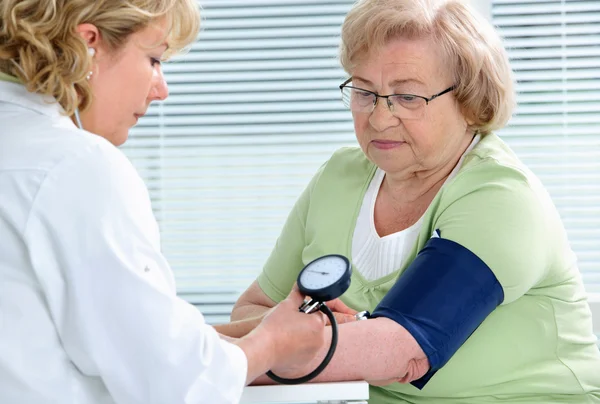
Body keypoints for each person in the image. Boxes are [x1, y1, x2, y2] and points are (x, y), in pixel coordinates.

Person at [231, 0, 600, 402]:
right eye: (364, 92)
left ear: (470, 102)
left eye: (407, 97)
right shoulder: (339, 177)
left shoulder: (502, 199)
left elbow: (398, 350)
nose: (378, 118)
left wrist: (211, 355)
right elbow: (255, 309)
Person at [0, 1, 334, 403]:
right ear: (89, 44)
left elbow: (106, 339)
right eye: (154, 59)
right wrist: (272, 344)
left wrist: (248, 333)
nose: (162, 90)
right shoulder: (77, 168)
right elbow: (171, 383)